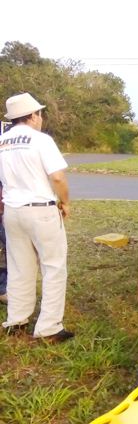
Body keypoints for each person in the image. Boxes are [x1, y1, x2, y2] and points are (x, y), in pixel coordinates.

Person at [0, 92, 72, 342]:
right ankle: (49, 327)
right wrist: (65, 201)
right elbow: (58, 177)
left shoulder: (2, 141)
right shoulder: (41, 140)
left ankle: (16, 320)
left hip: (12, 211)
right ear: (32, 116)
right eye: (39, 113)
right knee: (53, 266)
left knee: (20, 266)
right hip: (40, 210)